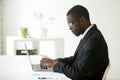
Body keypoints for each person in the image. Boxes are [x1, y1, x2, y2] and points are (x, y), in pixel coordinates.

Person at [40, 5, 109, 80]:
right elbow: (75, 59)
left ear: (82, 20)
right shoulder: (89, 35)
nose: (69, 28)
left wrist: (55, 65)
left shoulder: (94, 40)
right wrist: (55, 61)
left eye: (71, 23)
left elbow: (76, 74)